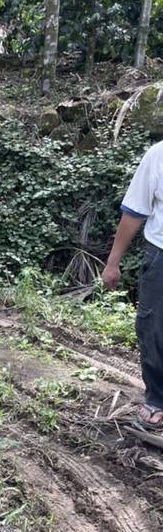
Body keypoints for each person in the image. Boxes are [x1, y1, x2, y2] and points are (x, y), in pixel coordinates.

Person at [103, 139, 163, 430]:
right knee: (153, 328)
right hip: (161, 254)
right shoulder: (158, 155)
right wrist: (113, 262)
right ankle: (157, 399)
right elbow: (135, 211)